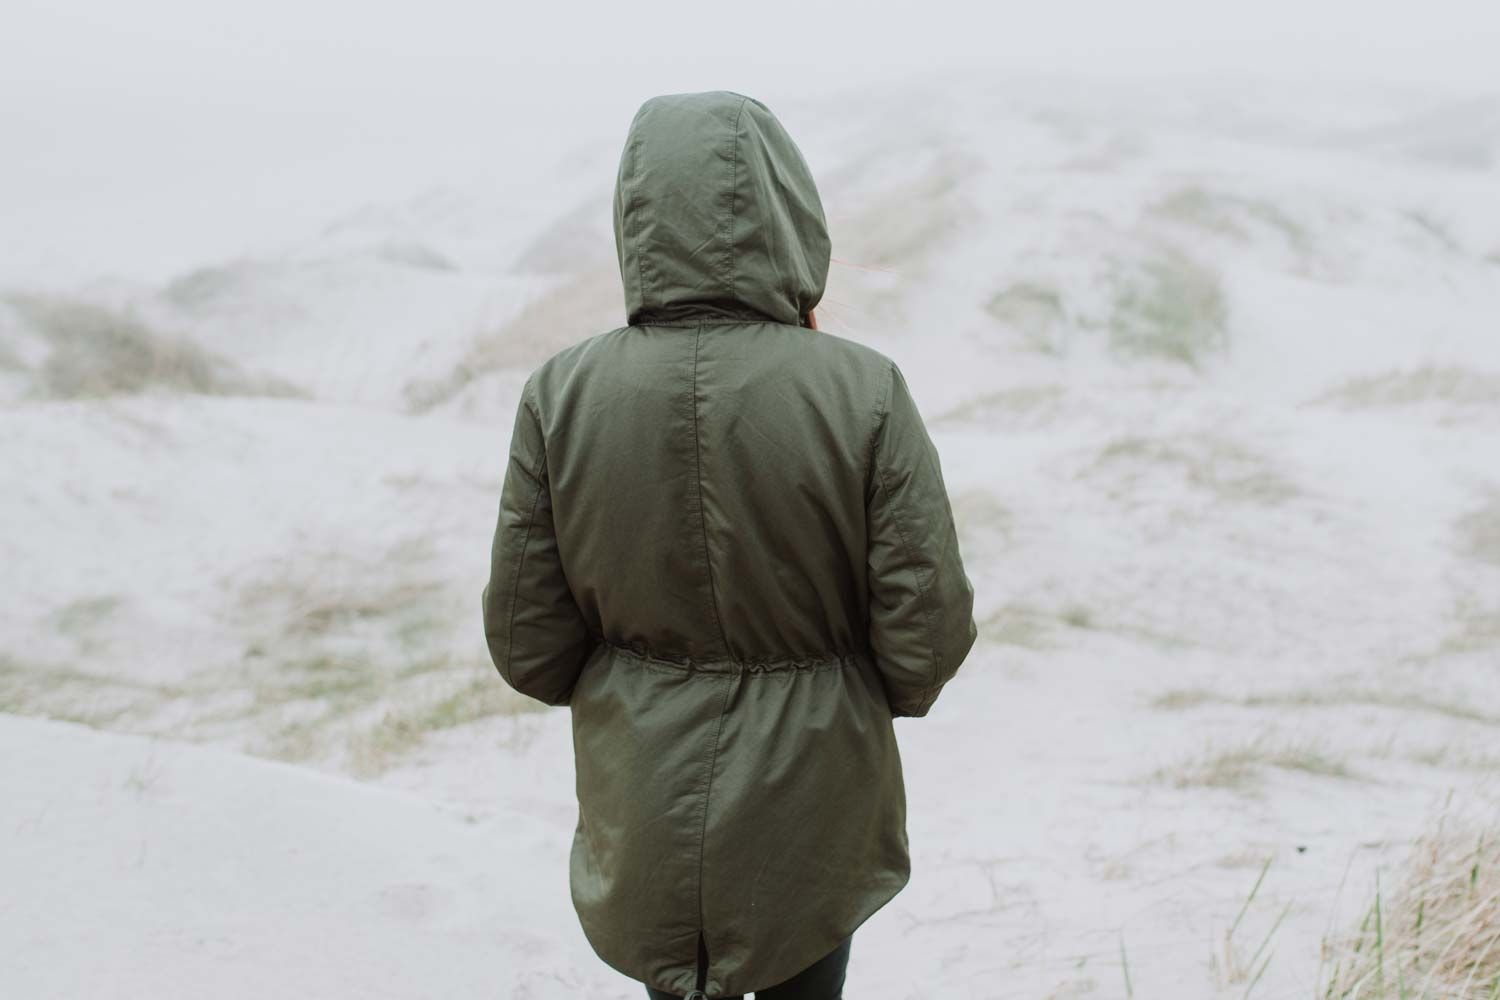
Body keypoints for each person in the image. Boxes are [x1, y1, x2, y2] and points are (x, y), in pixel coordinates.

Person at [482, 90, 977, 1000]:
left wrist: (630, 683)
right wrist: (859, 695)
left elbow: (527, 644)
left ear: (636, 215)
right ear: (790, 210)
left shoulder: (562, 393)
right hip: (815, 805)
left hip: (645, 799)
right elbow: (927, 624)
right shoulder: (861, 389)